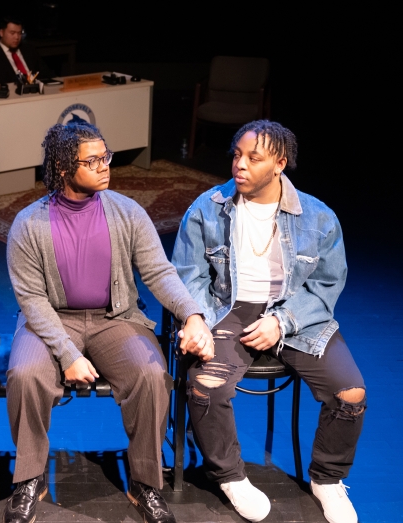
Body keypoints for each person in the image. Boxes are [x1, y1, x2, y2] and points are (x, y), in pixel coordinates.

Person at [4, 121, 214, 523]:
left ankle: (145, 483)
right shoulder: (29, 224)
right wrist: (66, 354)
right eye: (93, 160)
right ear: (65, 167)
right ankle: (29, 478)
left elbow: (159, 272)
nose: (105, 166)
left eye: (106, 156)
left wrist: (192, 314)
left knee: (152, 376)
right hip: (50, 320)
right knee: (25, 374)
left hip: (113, 318)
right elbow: (31, 299)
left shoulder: (126, 211)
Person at [171, 120, 365, 523]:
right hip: (228, 310)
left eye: (253, 158)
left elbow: (327, 285)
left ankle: (327, 479)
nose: (239, 165)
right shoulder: (207, 209)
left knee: (351, 394)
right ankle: (230, 476)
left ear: (279, 163)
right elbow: (187, 275)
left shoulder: (318, 216)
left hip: (298, 315)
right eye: (237, 155)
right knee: (205, 387)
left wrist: (284, 320)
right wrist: (199, 321)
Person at [0, 16, 53, 85]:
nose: (17, 37)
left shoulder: (29, 49)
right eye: (12, 33)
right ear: (1, 33)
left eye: (19, 33)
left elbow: (46, 73)